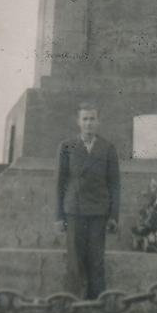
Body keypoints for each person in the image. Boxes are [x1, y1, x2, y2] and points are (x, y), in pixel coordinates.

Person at [55, 104, 120, 300]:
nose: (89, 123)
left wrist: (113, 216)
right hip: (74, 210)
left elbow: (114, 184)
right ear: (78, 122)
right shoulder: (67, 147)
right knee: (74, 260)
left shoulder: (107, 148)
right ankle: (72, 300)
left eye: (92, 119)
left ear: (98, 122)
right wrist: (59, 216)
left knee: (96, 260)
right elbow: (60, 183)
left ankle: (96, 302)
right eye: (85, 119)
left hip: (98, 212)